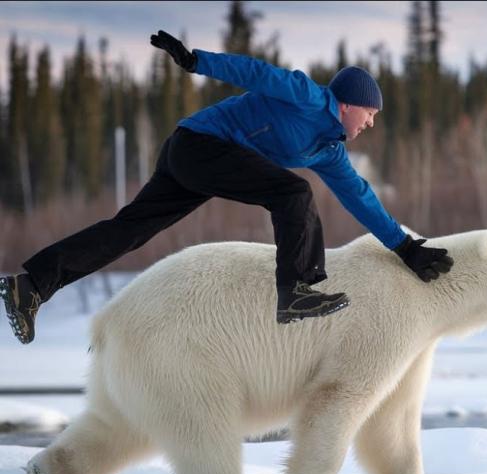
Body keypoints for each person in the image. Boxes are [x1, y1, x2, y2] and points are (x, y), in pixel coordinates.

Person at [0, 30, 453, 343]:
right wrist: (196, 61)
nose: (371, 123)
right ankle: (296, 290)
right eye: (370, 114)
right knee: (293, 193)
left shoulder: (329, 152)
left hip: (203, 161)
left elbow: (361, 198)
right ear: (350, 103)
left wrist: (405, 247)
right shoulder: (308, 96)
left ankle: (31, 285)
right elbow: (255, 72)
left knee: (128, 230)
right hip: (197, 146)